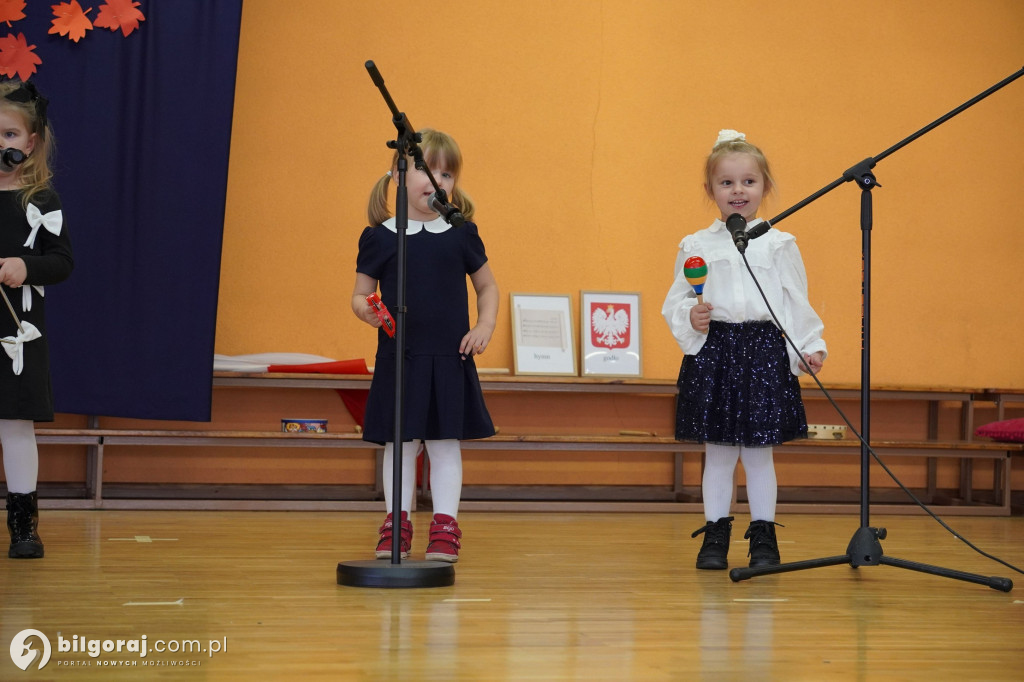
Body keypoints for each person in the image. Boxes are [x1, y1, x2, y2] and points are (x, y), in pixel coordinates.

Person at [661, 129, 825, 571]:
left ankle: (764, 537)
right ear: (710, 189)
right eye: (727, 182)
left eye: (748, 182)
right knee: (717, 452)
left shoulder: (779, 244)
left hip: (764, 351)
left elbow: (795, 301)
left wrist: (810, 345)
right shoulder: (697, 245)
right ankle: (715, 534)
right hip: (716, 349)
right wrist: (691, 319)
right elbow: (676, 300)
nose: (738, 190)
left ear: (764, 188)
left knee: (758, 453)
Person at [352, 129, 497, 563]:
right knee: (401, 446)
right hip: (401, 358)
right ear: (397, 175)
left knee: (444, 444)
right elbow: (360, 295)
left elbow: (487, 287)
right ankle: (397, 522)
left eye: (447, 173)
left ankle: (445, 527)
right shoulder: (379, 237)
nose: (438, 180)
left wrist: (484, 325)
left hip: (448, 358)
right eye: (426, 168)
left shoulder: (461, 233)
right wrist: (368, 312)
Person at [0, 80, 73, 559]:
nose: (0, 144)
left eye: (9, 134)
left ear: (29, 143)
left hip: (18, 333)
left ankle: (23, 524)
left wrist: (26, 267)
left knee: (16, 426)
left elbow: (63, 261)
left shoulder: (39, 202)